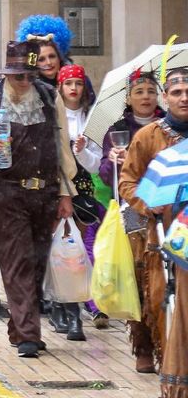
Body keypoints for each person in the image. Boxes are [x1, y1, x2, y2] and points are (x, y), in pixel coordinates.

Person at [0, 40, 76, 358]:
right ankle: (28, 334)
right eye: (18, 75)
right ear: (7, 74)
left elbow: (62, 147)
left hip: (47, 192)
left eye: (30, 75)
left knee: (37, 263)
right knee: (17, 261)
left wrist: (66, 194)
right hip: (9, 192)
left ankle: (20, 325)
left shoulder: (51, 99)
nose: (25, 82)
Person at [118, 66, 188, 395]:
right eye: (176, 92)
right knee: (163, 302)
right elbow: (128, 182)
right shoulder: (147, 137)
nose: (184, 98)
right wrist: (150, 205)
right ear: (166, 98)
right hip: (160, 237)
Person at [102, 69, 164, 372]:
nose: (145, 97)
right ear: (128, 97)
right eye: (139, 92)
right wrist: (114, 161)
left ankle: (169, 347)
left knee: (166, 284)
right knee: (139, 281)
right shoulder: (117, 128)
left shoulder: (170, 127)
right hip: (135, 213)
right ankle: (142, 345)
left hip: (171, 212)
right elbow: (105, 174)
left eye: (151, 91)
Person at [56, 63, 105, 340]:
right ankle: (62, 303)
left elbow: (96, 165)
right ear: (60, 87)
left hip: (84, 187)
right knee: (62, 248)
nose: (73, 89)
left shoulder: (92, 118)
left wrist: (83, 151)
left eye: (78, 83)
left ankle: (84, 305)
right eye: (68, 83)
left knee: (83, 246)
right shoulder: (54, 114)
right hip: (58, 185)